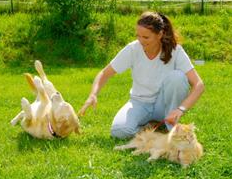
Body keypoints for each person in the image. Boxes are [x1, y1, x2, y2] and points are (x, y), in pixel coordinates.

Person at [79, 11, 204, 139]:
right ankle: (151, 129)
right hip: (139, 103)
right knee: (119, 131)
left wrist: (180, 109)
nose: (140, 41)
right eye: (138, 36)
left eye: (146, 37)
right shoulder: (132, 49)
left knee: (177, 77)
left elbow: (198, 85)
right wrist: (93, 94)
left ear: (160, 34)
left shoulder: (175, 51)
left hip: (164, 106)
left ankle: (169, 126)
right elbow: (104, 73)